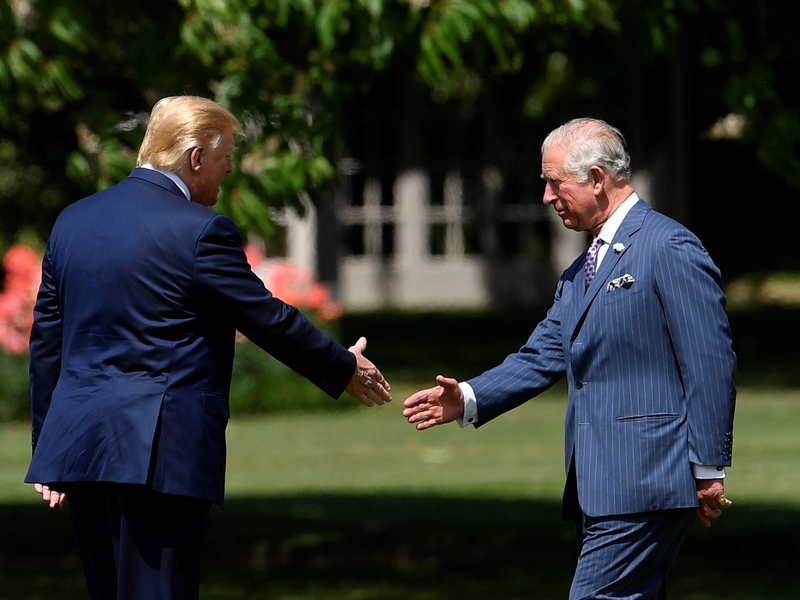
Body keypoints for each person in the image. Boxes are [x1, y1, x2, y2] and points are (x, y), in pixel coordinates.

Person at [25, 95, 392, 600]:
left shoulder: (73, 221)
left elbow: (47, 338)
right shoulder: (200, 231)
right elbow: (266, 317)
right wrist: (342, 365)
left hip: (81, 450)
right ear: (195, 158)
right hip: (159, 454)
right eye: (225, 161)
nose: (227, 175)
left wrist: (50, 448)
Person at [403, 118, 736, 599]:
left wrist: (708, 468)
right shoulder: (578, 272)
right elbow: (542, 355)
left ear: (597, 179)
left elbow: (711, 362)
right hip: (597, 487)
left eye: (555, 182)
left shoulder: (669, 246)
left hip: (647, 482)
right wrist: (470, 397)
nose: (546, 196)